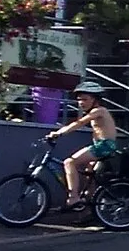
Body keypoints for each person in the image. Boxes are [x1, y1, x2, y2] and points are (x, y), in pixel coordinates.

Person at [47, 81, 120, 209]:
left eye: (85, 99)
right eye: (79, 100)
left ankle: (73, 197)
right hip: (104, 145)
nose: (81, 103)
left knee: (69, 162)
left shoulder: (99, 111)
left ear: (95, 99)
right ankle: (88, 206)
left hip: (104, 146)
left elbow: (79, 123)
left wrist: (59, 133)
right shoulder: (98, 112)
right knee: (89, 174)